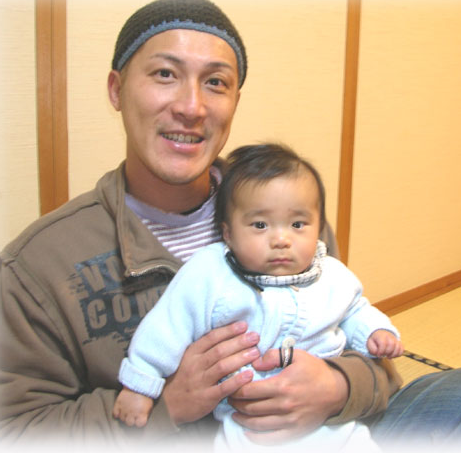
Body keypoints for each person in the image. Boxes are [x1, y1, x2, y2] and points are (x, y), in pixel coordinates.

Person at [0, 0, 461, 448]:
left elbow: (367, 352)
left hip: (320, 436)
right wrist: (169, 405)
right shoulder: (38, 266)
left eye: (216, 82)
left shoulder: (282, 218)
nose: (192, 106)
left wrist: (336, 386)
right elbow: (4, 431)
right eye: (165, 74)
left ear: (235, 100)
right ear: (117, 90)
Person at [112, 143, 404, 451]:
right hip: (250, 427)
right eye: (260, 225)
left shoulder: (331, 274)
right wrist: (141, 384)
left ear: (318, 228)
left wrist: (376, 332)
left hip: (333, 425)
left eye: (297, 224)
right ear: (228, 233)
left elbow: (354, 310)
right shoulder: (212, 273)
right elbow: (169, 323)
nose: (281, 239)